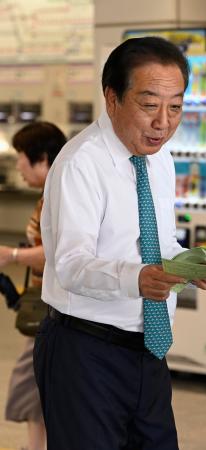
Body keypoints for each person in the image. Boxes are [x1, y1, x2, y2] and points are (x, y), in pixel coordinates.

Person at [33, 36, 206, 450]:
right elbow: (70, 263)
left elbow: (156, 241)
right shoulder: (81, 163)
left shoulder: (161, 159)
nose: (164, 122)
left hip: (147, 351)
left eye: (176, 107)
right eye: (150, 105)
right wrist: (137, 279)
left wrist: (188, 265)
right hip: (85, 350)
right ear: (112, 98)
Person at [0, 121, 66, 450]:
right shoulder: (51, 191)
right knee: (39, 385)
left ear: (41, 158)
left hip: (51, 309)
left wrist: (11, 254)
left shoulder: (57, 193)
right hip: (47, 305)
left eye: (20, 157)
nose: (17, 166)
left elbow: (58, 254)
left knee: (31, 382)